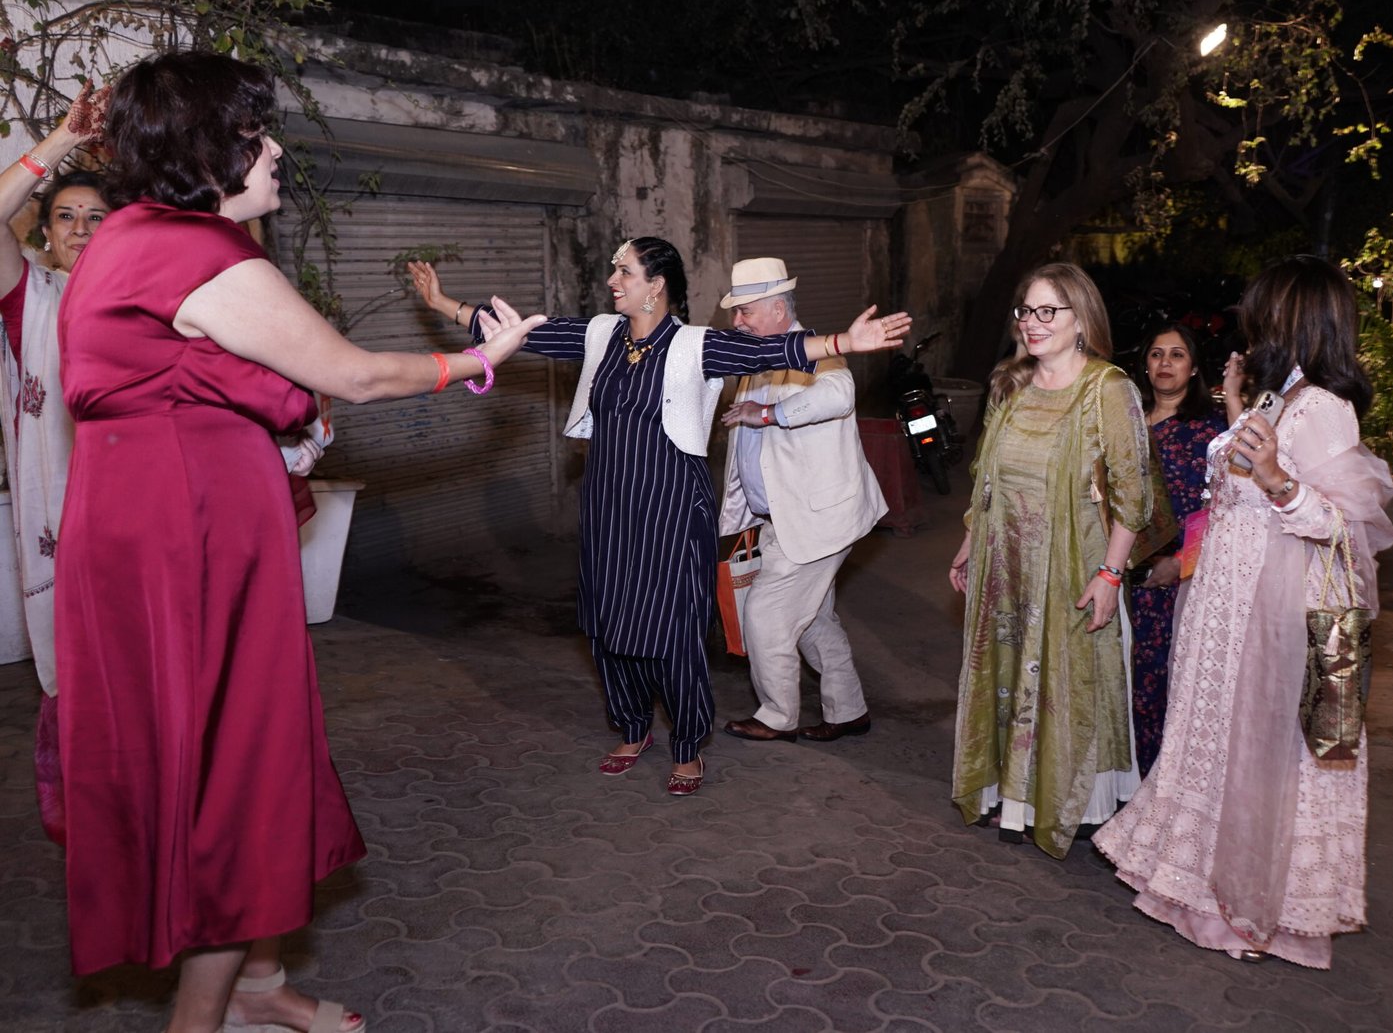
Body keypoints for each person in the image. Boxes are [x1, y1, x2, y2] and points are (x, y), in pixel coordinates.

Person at [54, 52, 538, 1033]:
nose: (273, 148)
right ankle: (204, 1019)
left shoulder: (142, 235)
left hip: (172, 521)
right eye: (252, 133)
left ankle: (259, 982)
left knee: (254, 745)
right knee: (231, 768)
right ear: (206, 149)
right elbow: (352, 375)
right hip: (188, 538)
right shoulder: (192, 251)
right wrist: (478, 361)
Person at [407, 248, 909, 795]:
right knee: (608, 624)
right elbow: (522, 333)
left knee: (672, 629)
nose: (612, 279)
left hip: (673, 508)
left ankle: (688, 745)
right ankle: (632, 728)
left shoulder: (695, 344)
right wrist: (442, 303)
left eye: (624, 271)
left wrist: (843, 343)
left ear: (656, 285)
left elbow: (771, 348)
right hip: (609, 506)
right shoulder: (602, 335)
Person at [1093, 255, 1393, 968]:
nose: (1250, 323)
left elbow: (1348, 526)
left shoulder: (1325, 408)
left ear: (1293, 318)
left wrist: (1278, 479)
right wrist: (1237, 408)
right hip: (1228, 606)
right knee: (1222, 747)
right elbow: (1236, 487)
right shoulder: (1281, 395)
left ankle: (1259, 908)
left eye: (1262, 311)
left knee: (1272, 757)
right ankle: (1200, 888)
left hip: (1277, 617)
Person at [946, 262, 1153, 857]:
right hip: (1005, 563)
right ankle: (1013, 795)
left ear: (1080, 318)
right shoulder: (1010, 384)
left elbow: (1133, 493)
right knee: (1008, 672)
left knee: (1070, 683)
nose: (1032, 323)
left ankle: (1076, 802)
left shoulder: (1108, 389)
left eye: (1047, 311)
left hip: (1072, 568)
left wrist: (1110, 574)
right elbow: (987, 475)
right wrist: (969, 542)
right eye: (1025, 311)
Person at [712, 257, 887, 743]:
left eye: (745, 311)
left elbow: (838, 396)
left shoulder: (817, 354)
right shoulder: (757, 355)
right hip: (783, 518)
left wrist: (768, 414)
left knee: (766, 615)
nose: (737, 321)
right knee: (813, 620)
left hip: (817, 519)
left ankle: (777, 715)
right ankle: (848, 711)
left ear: (777, 308)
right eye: (736, 312)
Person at [0, 90, 106, 846]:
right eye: (65, 216)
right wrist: (64, 138)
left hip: (134, 514)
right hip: (60, 521)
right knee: (79, 673)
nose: (80, 230)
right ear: (42, 231)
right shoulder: (29, 298)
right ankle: (91, 822)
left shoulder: (144, 304)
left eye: (97, 218)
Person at [1125, 324, 1226, 775]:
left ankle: (1162, 787)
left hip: (1178, 583)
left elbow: (1223, 509)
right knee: (1119, 684)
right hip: (1118, 573)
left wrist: (1182, 563)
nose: (1165, 363)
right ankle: (1120, 786)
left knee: (1165, 688)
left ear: (1195, 368)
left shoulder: (1211, 430)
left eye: (1177, 354)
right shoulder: (1125, 422)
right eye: (1156, 354)